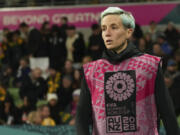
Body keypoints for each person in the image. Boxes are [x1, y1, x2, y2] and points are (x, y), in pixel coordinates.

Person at [76, 7, 180, 135]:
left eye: (114, 27)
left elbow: (167, 111)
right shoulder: (91, 71)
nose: (107, 33)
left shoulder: (150, 65)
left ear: (128, 32)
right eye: (103, 28)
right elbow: (81, 116)